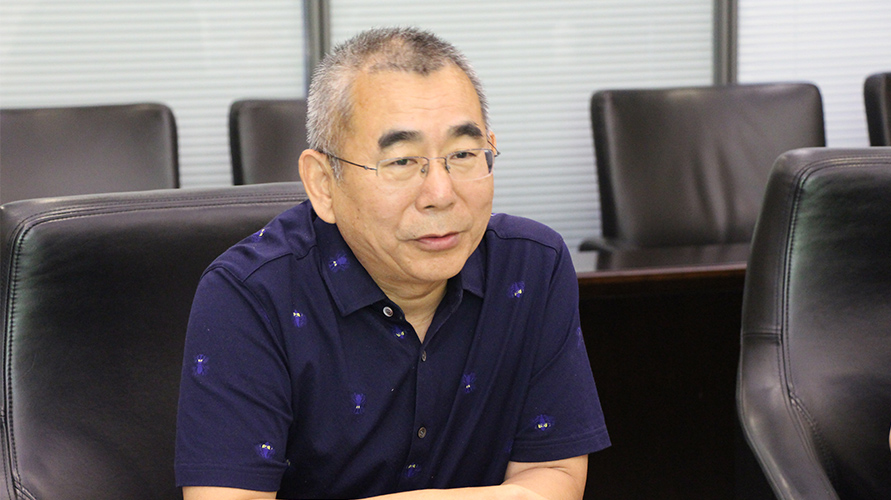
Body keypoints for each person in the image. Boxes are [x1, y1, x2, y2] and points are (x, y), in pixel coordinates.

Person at [175, 27, 610, 499]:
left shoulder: (531, 267)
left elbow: (555, 476)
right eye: (402, 161)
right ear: (323, 183)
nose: (441, 193)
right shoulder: (250, 293)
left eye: (464, 154)